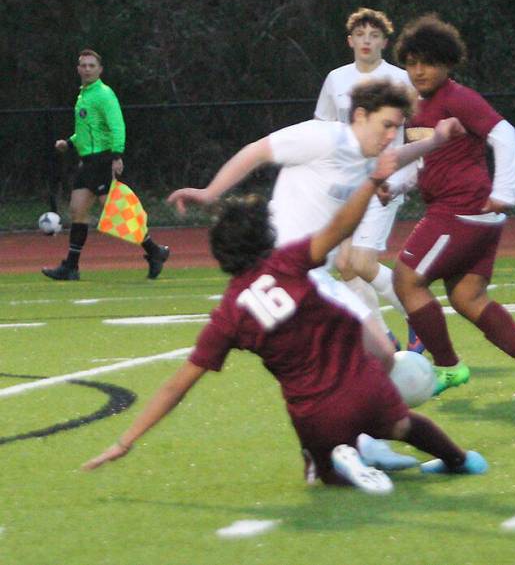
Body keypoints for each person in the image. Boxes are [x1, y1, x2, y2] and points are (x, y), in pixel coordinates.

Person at [82, 138, 488, 493]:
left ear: (222, 256)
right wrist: (370, 181)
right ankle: (460, 459)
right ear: (266, 235)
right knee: (403, 424)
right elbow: (341, 224)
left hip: (314, 415)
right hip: (366, 387)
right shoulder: (290, 260)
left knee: (323, 473)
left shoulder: (229, 315)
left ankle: (335, 462)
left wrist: (126, 440)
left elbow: (177, 387)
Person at [167, 79, 446, 471]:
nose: (390, 135)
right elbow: (256, 151)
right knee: (365, 357)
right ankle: (340, 447)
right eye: (386, 124)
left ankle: (348, 445)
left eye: (396, 127)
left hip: (318, 276)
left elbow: (395, 158)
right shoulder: (322, 139)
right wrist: (210, 192)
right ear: (360, 116)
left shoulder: (370, 151)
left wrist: (435, 141)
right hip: (288, 272)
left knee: (375, 357)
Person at [387, 14, 515, 398]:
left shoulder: (458, 98)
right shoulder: (419, 106)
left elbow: (504, 132)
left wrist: (506, 189)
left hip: (461, 210)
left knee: (406, 279)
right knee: (467, 297)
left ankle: (448, 368)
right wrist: (395, 187)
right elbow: (423, 162)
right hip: (474, 213)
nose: (418, 70)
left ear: (447, 62)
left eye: (427, 62)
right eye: (411, 63)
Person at [314, 7, 424, 354]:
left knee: (362, 262)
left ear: (384, 42)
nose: (366, 40)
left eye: (373, 35)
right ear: (350, 41)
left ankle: (419, 319)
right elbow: (324, 128)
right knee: (345, 266)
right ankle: (382, 338)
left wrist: (414, 169)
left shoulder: (399, 79)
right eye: (360, 35)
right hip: (347, 182)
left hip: (386, 180)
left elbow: (419, 128)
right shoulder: (336, 79)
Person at [43, 49, 170, 281]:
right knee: (77, 210)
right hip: (88, 162)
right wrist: (69, 144)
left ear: (100, 70)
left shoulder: (104, 94)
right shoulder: (83, 95)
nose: (87, 69)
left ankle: (155, 251)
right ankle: (71, 267)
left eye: (92, 65)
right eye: (83, 65)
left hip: (102, 160)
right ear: (78, 68)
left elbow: (116, 126)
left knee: (117, 211)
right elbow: (88, 131)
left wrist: (117, 155)